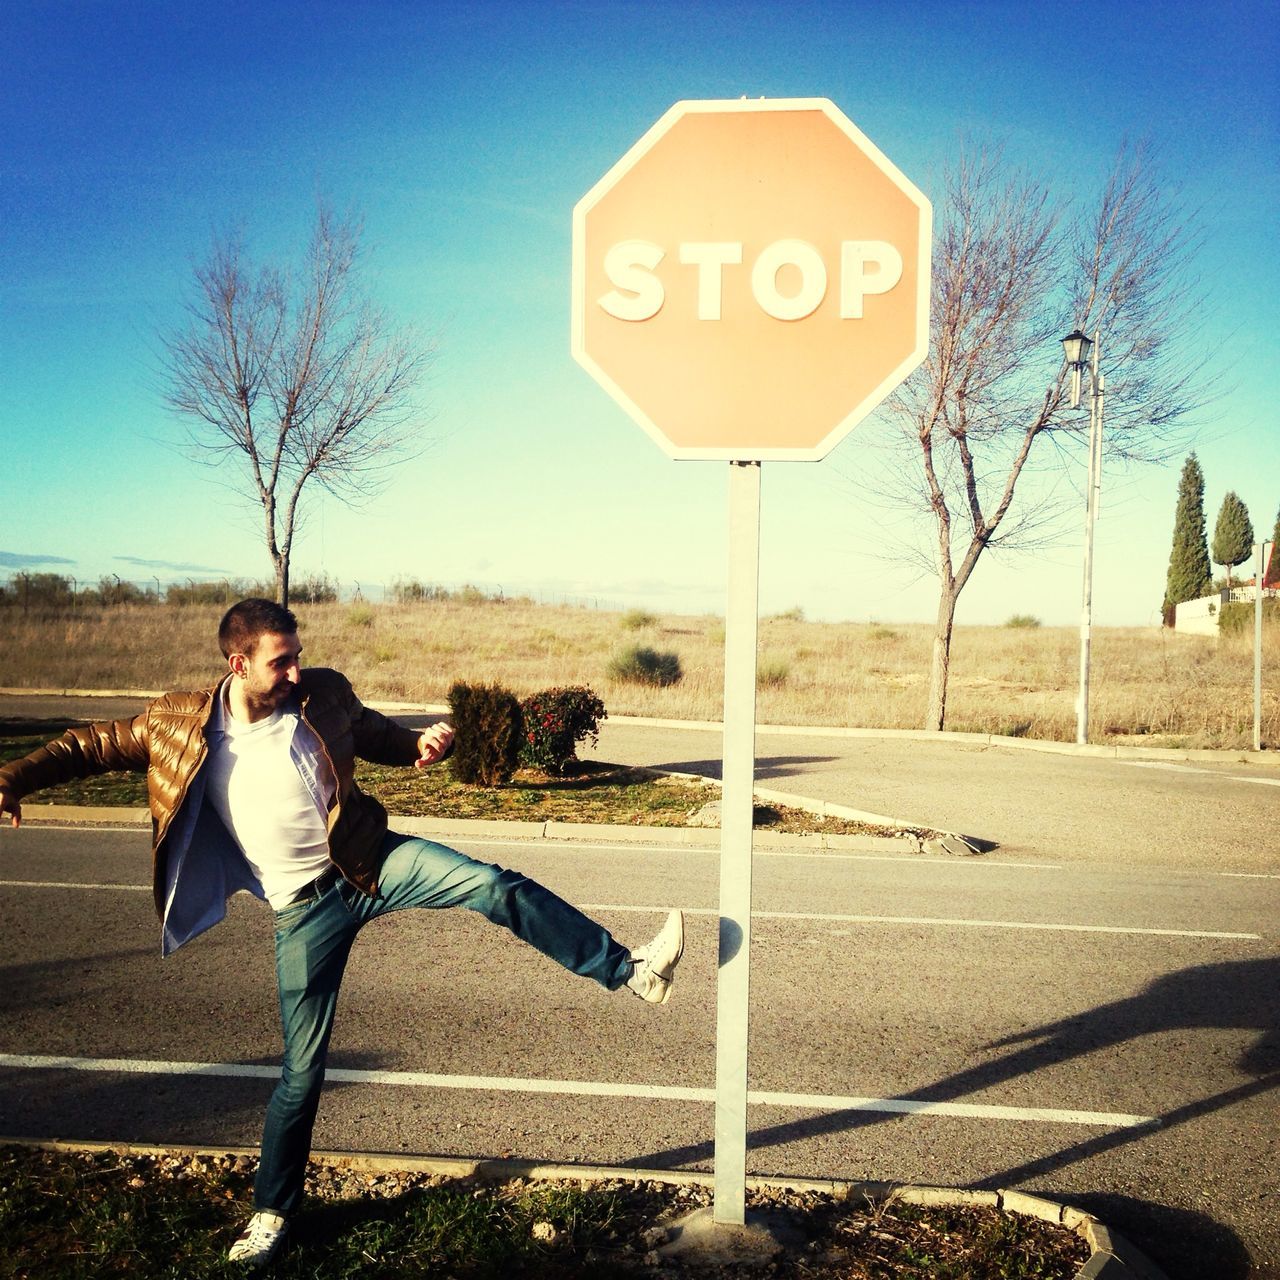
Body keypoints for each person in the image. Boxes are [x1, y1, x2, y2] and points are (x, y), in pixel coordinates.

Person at [0, 598, 685, 1268]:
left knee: (491, 884)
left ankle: (630, 971)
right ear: (237, 662)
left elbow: (373, 733)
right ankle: (272, 1213)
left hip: (368, 861)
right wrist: (13, 777)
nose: (297, 671)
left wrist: (418, 745)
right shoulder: (178, 722)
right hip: (302, 911)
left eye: (298, 656)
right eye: (281, 661)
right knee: (301, 1074)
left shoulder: (321, 693)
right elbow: (86, 744)